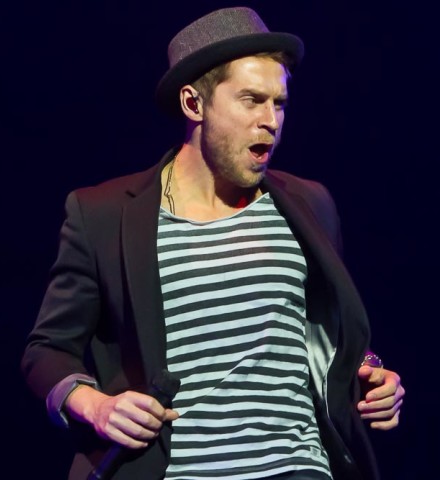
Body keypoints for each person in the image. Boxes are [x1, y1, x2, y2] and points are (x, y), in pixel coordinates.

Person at [21, 6, 405, 480]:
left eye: (279, 103)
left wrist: (371, 372)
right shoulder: (104, 214)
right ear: (193, 103)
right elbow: (47, 349)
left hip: (295, 464)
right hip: (179, 470)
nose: (270, 120)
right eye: (251, 100)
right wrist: (97, 406)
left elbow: (333, 337)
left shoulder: (309, 204)